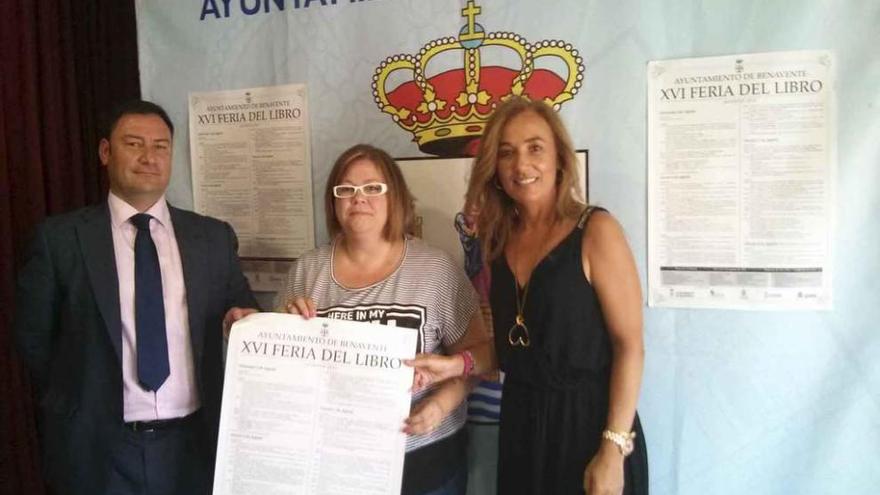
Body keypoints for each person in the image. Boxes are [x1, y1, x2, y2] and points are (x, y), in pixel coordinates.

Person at [14, 100, 258, 495]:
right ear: (106, 152)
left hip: (193, 445)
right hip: (98, 451)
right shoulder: (60, 240)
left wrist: (244, 320)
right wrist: (79, 402)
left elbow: (245, 310)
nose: (149, 157)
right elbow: (33, 339)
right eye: (134, 144)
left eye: (161, 146)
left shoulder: (212, 238)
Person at [277, 144, 494, 495]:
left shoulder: (435, 269)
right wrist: (283, 330)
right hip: (332, 463)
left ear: (396, 199)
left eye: (373, 188)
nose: (358, 198)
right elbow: (278, 371)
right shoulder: (307, 270)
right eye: (345, 189)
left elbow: (479, 357)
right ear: (334, 203)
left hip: (424, 462)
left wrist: (439, 407)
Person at [467, 96, 649, 494]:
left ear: (560, 160)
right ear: (494, 169)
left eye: (535, 148)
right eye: (507, 153)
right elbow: (515, 347)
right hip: (521, 425)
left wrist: (613, 448)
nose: (521, 165)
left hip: (590, 428)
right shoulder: (497, 242)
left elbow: (630, 345)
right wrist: (456, 365)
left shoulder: (596, 231)